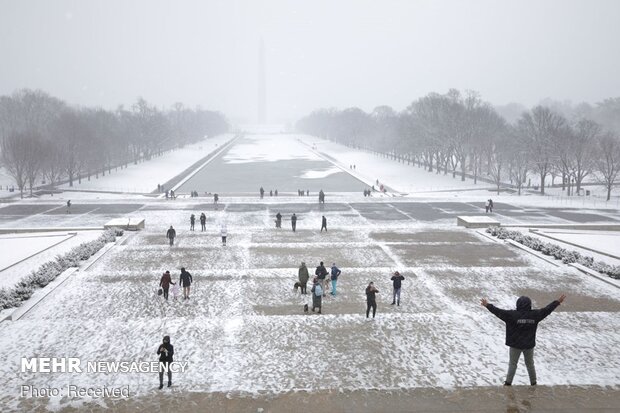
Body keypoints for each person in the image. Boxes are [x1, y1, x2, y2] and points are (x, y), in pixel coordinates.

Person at [480, 294, 566, 386]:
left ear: (518, 304)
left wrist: (487, 305)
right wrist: (557, 302)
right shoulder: (535, 315)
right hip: (528, 345)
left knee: (513, 364)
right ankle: (533, 383)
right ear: (529, 305)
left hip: (515, 345)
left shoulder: (511, 315)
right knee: (530, 365)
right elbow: (547, 310)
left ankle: (508, 383)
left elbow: (498, 311)